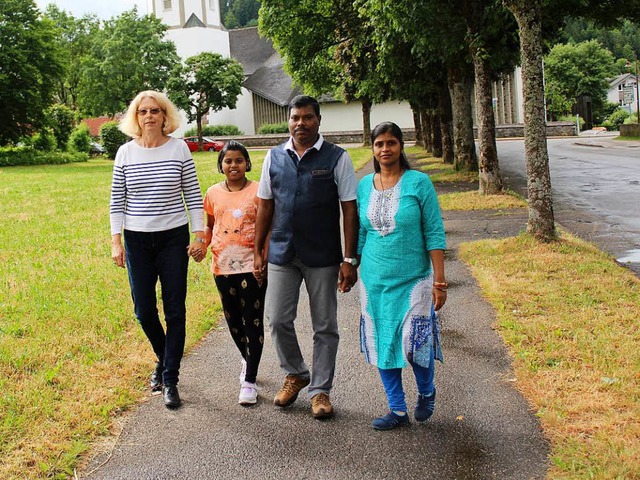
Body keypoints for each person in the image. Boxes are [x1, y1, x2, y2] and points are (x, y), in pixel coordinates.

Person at [253, 95, 359, 419]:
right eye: (295, 117)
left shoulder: (337, 158)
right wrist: (258, 251)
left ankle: (320, 391)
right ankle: (296, 373)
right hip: (283, 252)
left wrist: (349, 259)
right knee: (277, 319)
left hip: (323, 255)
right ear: (289, 121)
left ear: (318, 120)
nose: (301, 123)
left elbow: (349, 210)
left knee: (325, 325)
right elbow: (265, 206)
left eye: (308, 117)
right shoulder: (273, 157)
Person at [109, 90, 206, 409]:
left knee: (175, 309)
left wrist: (199, 234)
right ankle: (164, 359)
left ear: (166, 116)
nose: (149, 116)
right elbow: (117, 200)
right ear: (135, 117)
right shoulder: (125, 153)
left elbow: (193, 195)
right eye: (143, 111)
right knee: (144, 310)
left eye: (155, 110)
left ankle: (170, 378)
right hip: (137, 240)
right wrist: (115, 240)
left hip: (173, 239)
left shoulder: (179, 149)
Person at [356, 121, 447, 430]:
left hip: (414, 279)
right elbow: (361, 234)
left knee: (414, 342)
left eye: (391, 143)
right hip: (374, 279)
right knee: (383, 342)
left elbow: (434, 232)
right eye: (379, 143)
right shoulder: (364, 185)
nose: (385, 149)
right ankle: (397, 410)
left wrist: (440, 281)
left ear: (400, 146)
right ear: (373, 148)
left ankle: (427, 392)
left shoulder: (418, 183)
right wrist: (349, 266)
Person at [202, 141, 267, 406]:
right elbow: (209, 225)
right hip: (222, 267)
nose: (233, 165)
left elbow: (268, 227)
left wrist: (262, 256)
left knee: (252, 320)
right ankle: (248, 356)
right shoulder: (213, 193)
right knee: (233, 321)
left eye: (239, 160)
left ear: (247, 164)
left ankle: (249, 380)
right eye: (228, 161)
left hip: (253, 267)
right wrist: (200, 246)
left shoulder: (259, 191)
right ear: (221, 166)